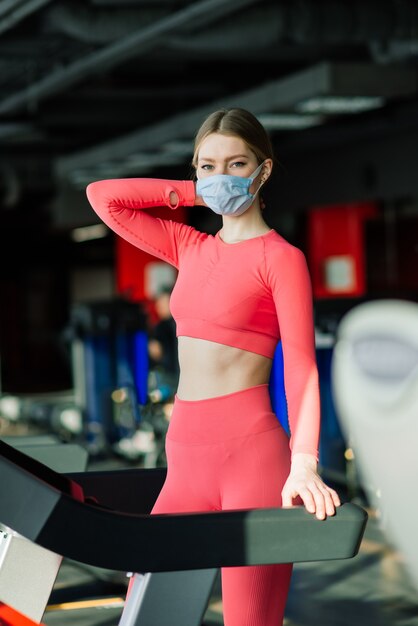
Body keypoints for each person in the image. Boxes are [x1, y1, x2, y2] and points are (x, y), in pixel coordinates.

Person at [86, 107, 341, 626]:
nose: (221, 176)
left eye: (236, 164)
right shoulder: (190, 246)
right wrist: (195, 191)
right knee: (146, 608)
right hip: (185, 456)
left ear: (263, 171)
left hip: (251, 458)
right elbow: (103, 197)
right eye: (208, 165)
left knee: (249, 622)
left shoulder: (280, 258)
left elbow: (300, 368)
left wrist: (306, 460)